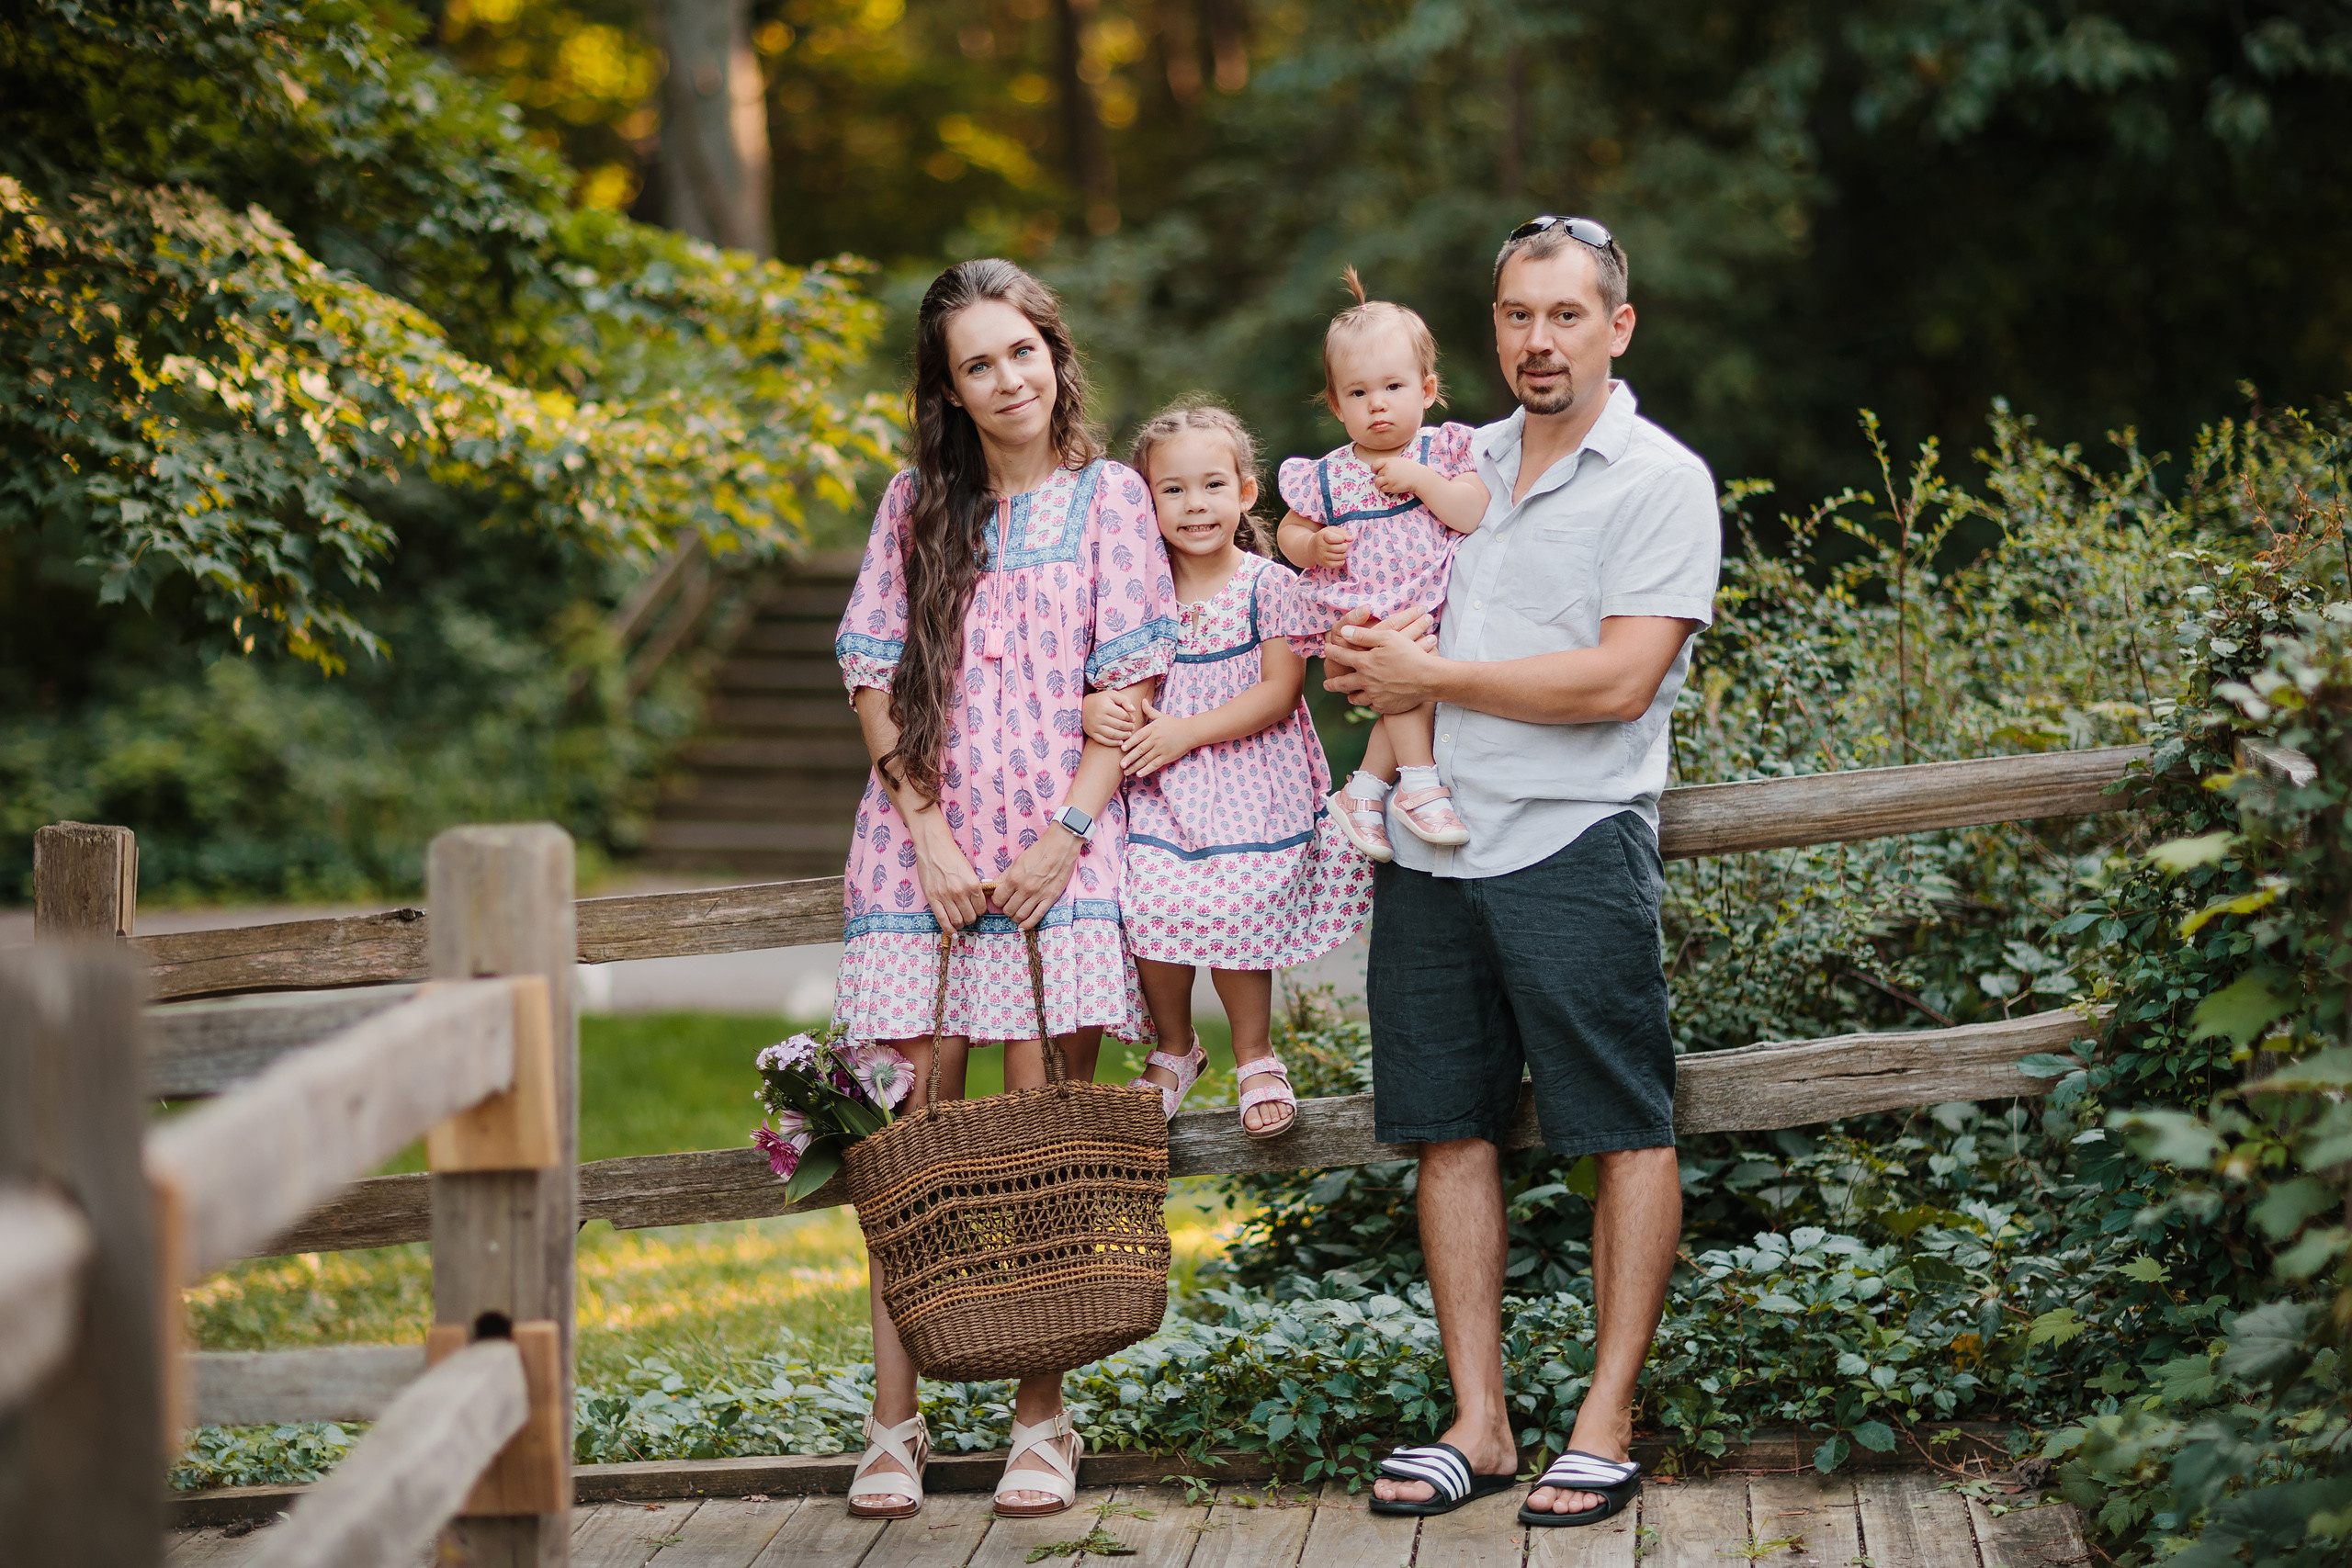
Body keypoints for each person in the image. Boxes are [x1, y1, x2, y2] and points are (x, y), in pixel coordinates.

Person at [1321, 217, 1721, 1529]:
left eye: (1562, 314)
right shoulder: (1448, 459)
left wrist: (1428, 677)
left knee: (1621, 1120)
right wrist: (1362, 655)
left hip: (1572, 837)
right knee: (1447, 1125)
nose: (1535, 340)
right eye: (1513, 315)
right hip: (1434, 849)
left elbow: (1618, 680)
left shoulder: (1660, 480)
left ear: (1619, 324)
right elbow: (1369, 599)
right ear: (1487, 330)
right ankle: (1480, 1421)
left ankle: (1603, 1418)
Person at [831, 258, 1177, 1521]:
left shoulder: (1112, 499)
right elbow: (872, 667)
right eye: (978, 362)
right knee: (907, 1145)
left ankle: (1044, 1414)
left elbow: (1132, 678)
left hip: (1053, 861)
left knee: (1041, 1143)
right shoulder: (914, 504)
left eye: (1021, 349)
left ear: (1053, 353)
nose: (1007, 377)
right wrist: (923, 830)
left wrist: (1066, 834)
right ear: (951, 389)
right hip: (920, 859)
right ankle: (894, 1419)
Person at [1082, 400, 1374, 1137]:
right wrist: (1100, 713)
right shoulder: (1137, 595)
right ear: (1147, 504)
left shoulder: (1267, 584)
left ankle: (1254, 1053)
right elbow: (1104, 682)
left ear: (1246, 491)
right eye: (1172, 490)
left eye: (1212, 485)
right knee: (1147, 899)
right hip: (1163, 786)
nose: (1194, 504)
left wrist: (1185, 733)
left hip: (1250, 779)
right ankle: (1174, 1047)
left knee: (1237, 902)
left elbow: (1278, 694)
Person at [1269, 268, 1491, 862]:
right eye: (1360, 393)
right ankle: (1418, 784)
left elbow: (1471, 510)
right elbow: (1290, 528)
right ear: (1338, 404)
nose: (1378, 405)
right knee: (1408, 679)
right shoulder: (1329, 473)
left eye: (1393, 387)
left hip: (1424, 600)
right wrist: (1313, 548)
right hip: (1359, 606)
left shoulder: (1442, 450)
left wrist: (1421, 480)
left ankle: (1364, 791)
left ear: (1426, 388)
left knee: (1412, 684)